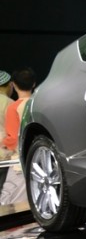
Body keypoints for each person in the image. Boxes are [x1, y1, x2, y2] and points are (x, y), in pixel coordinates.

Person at [0, 68, 36, 209]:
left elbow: (13, 138)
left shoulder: (14, 107)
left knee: (9, 201)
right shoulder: (39, 104)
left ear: (13, 85)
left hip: (19, 162)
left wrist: (3, 143)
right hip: (39, 159)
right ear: (34, 84)